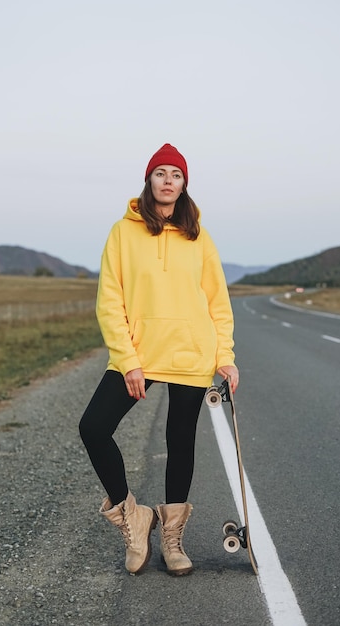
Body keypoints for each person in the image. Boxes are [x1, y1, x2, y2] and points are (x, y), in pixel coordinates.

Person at [79, 143, 238, 576]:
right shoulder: (123, 232)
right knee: (93, 427)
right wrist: (127, 359)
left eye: (177, 175)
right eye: (161, 173)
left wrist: (225, 356)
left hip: (191, 352)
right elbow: (110, 301)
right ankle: (133, 515)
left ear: (184, 185)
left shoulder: (198, 236)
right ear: (148, 180)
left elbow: (217, 303)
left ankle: (171, 538)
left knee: (180, 439)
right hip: (141, 355)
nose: (168, 181)